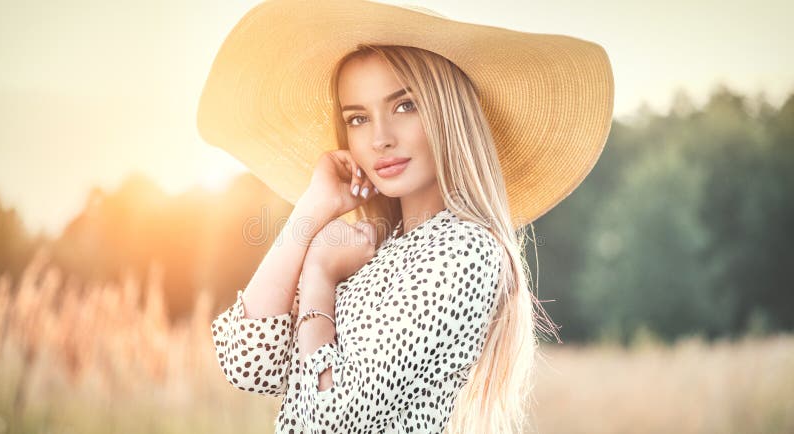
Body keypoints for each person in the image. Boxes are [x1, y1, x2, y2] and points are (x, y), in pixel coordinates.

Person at [199, 1, 614, 433]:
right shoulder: (372, 250)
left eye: (404, 106)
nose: (379, 139)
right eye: (358, 118)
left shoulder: (465, 250)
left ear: (446, 112)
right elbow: (246, 359)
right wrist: (312, 207)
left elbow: (328, 418)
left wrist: (319, 275)